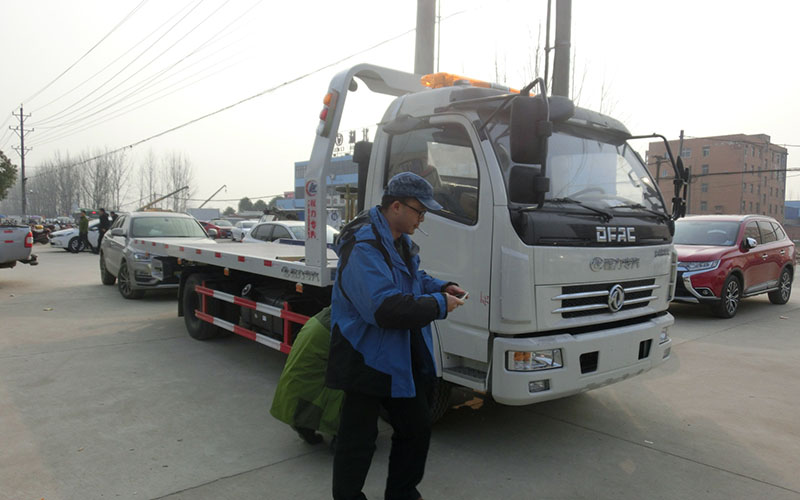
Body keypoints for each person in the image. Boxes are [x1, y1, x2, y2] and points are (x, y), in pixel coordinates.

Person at [326, 172, 466, 500]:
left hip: (396, 352)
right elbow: (383, 308)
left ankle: (402, 494)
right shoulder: (363, 245)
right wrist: (438, 305)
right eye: (420, 211)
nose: (422, 218)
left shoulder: (398, 241)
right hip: (364, 353)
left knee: (416, 428)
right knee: (358, 439)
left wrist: (440, 287)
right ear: (397, 206)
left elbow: (411, 278)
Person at [270, 307, 344, 447]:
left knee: (307, 381)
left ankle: (303, 424)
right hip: (332, 328)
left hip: (318, 323)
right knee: (351, 382)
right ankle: (343, 436)